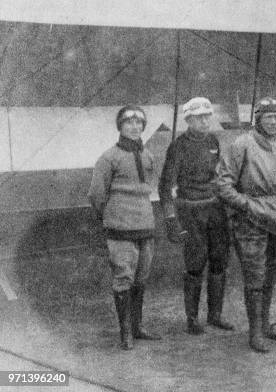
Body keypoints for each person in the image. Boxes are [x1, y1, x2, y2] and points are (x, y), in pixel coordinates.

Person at [216, 97, 276, 353]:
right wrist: (246, 205)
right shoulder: (242, 144)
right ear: (257, 119)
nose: (273, 121)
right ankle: (255, 333)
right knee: (255, 276)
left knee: (270, 274)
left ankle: (265, 324)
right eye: (268, 117)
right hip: (250, 221)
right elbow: (223, 185)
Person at [158, 97, 234, 335]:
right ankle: (192, 318)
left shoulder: (213, 141)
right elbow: (164, 186)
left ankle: (215, 315)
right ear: (188, 120)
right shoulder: (178, 146)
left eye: (207, 116)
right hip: (190, 210)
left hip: (214, 208)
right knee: (195, 264)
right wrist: (171, 219)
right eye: (198, 117)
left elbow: (219, 176)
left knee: (219, 261)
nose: (204, 121)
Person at [88, 105, 161, 350]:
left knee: (141, 278)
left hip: (145, 227)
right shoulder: (108, 158)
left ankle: (138, 328)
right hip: (120, 229)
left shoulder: (148, 156)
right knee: (123, 279)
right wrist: (111, 219)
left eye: (139, 122)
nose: (135, 126)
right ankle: (125, 334)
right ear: (120, 126)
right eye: (129, 122)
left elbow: (148, 189)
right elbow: (96, 195)